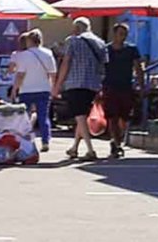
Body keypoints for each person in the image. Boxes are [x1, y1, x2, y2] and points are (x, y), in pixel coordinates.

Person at [52, 17, 107, 161]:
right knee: (81, 116)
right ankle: (74, 147)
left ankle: (90, 149)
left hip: (75, 83)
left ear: (77, 28)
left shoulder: (73, 40)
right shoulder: (100, 43)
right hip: (93, 84)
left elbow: (66, 63)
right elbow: (104, 64)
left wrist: (58, 85)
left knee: (80, 116)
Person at [8, 28, 56, 152]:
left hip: (27, 90)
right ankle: (45, 141)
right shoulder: (48, 53)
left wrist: (15, 89)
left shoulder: (24, 55)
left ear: (29, 40)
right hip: (44, 89)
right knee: (43, 117)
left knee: (24, 117)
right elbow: (52, 73)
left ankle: (25, 140)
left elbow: (20, 75)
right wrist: (53, 87)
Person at [99, 23, 143, 159]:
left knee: (124, 117)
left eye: (125, 34)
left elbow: (138, 67)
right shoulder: (106, 50)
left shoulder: (131, 49)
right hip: (109, 86)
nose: (122, 37)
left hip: (125, 87)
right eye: (120, 33)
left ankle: (120, 138)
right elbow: (100, 68)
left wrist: (141, 85)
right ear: (114, 34)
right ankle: (116, 142)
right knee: (112, 116)